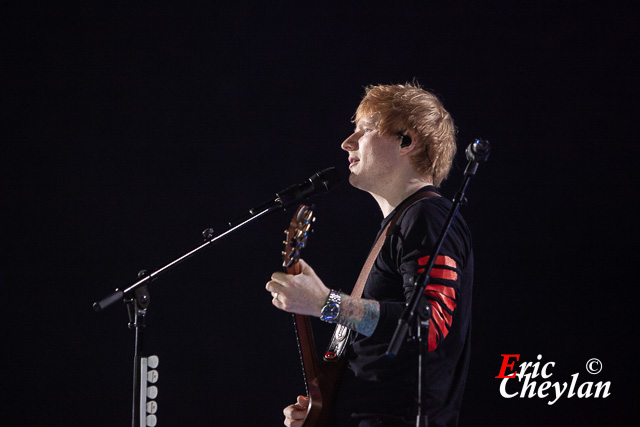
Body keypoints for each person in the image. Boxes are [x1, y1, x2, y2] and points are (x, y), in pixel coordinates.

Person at [266, 83, 473, 427]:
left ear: (408, 141)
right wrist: (325, 410)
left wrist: (327, 304)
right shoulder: (400, 223)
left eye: (365, 130)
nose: (347, 143)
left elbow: (429, 325)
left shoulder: (429, 217)